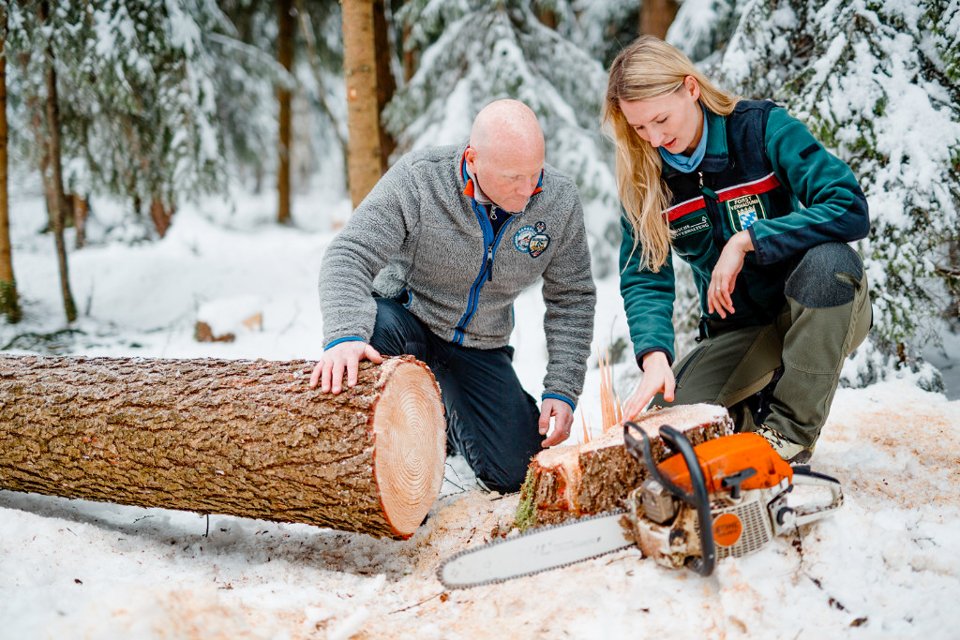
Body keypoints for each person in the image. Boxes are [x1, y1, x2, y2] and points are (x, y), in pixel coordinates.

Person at [605, 37, 872, 463]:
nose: (654, 138)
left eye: (660, 119)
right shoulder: (645, 176)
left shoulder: (761, 128)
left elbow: (849, 207)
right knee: (664, 439)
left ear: (690, 88)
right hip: (737, 332)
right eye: (639, 128)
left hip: (817, 309)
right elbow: (645, 276)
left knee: (831, 262)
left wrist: (748, 240)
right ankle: (752, 413)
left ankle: (788, 434)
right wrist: (654, 354)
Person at [310, 99, 596, 493]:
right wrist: (344, 334)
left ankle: (447, 416)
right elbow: (349, 253)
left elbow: (573, 298)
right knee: (368, 339)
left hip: (480, 345)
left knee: (517, 473)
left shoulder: (559, 201)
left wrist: (563, 388)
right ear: (473, 159)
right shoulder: (420, 179)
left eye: (536, 173)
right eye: (514, 177)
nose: (528, 189)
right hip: (407, 324)